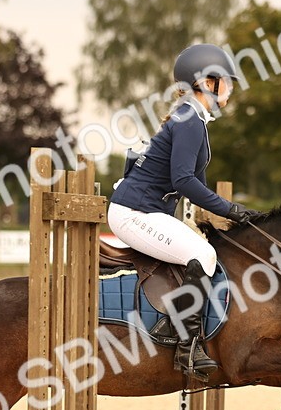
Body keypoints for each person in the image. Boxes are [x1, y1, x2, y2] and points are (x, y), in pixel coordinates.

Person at [108, 43, 262, 381]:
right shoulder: (189, 119)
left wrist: (226, 217)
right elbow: (183, 180)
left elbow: (199, 187)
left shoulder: (194, 119)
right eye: (227, 82)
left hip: (149, 212)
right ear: (208, 83)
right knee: (202, 255)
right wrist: (234, 210)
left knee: (206, 248)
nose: (231, 89)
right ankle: (186, 345)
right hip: (133, 213)